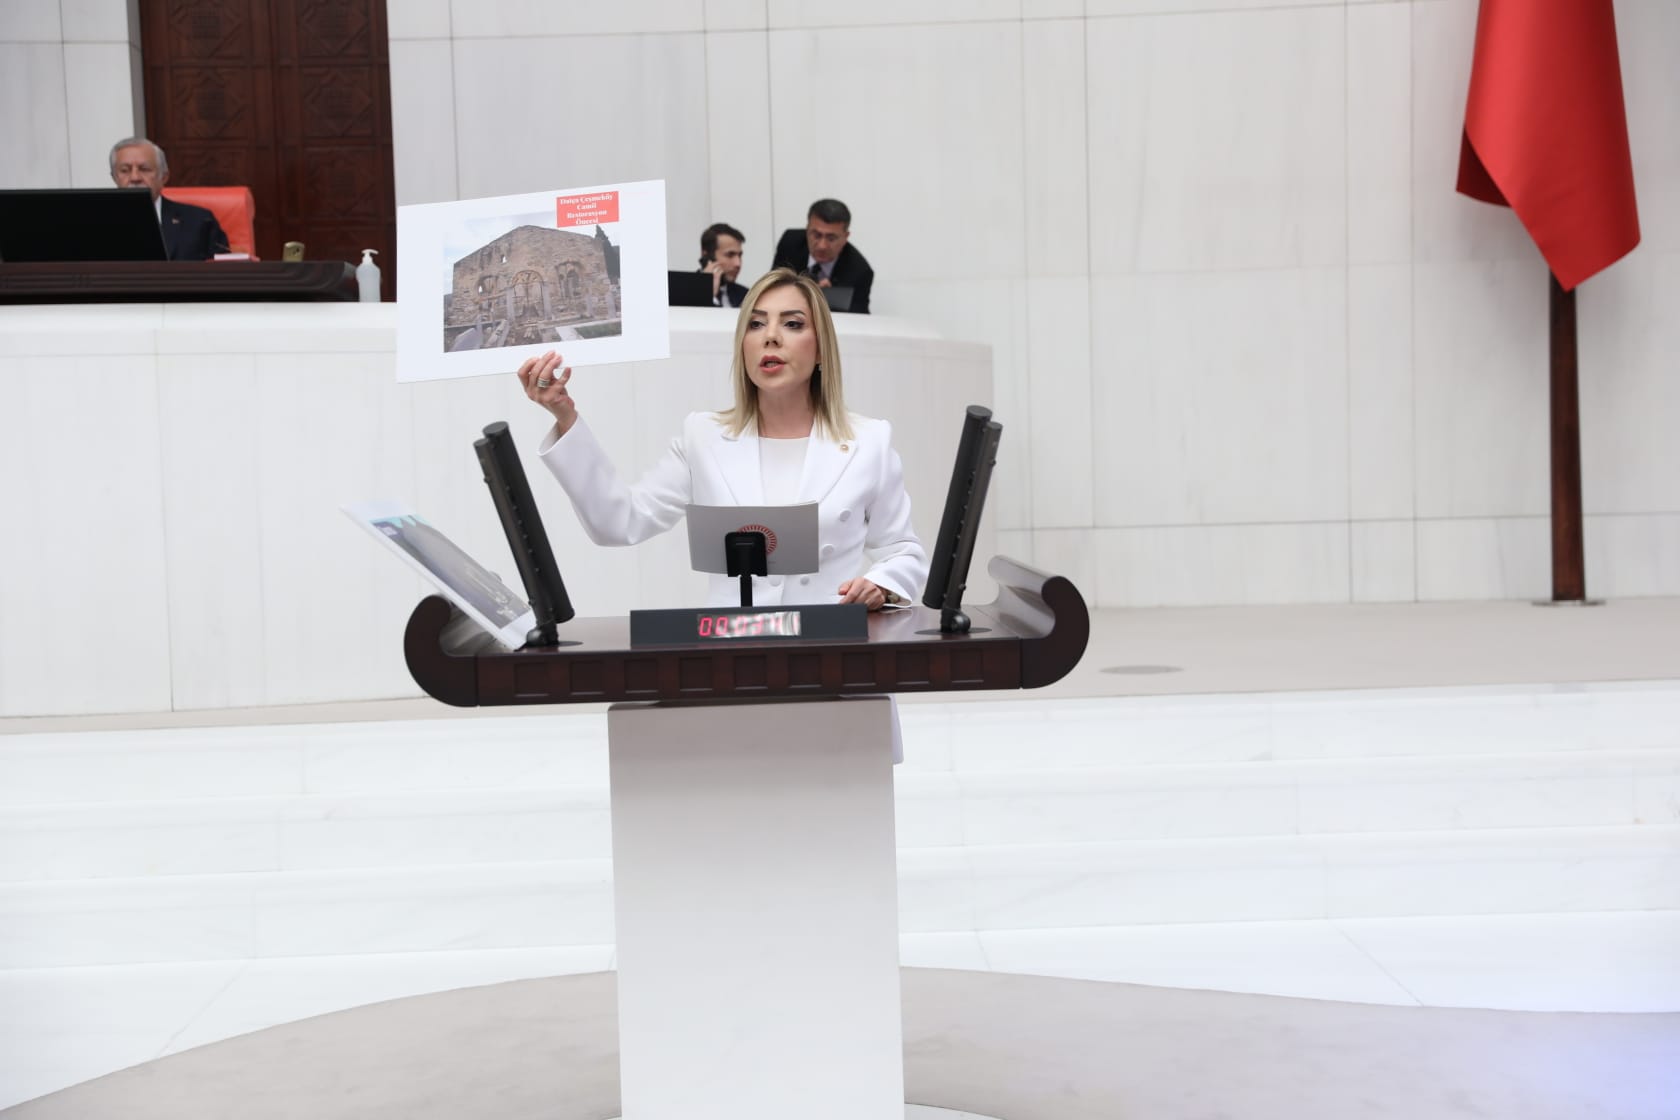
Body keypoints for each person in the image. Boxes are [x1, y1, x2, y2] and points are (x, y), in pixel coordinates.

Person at [517, 268, 926, 609]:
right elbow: (619, 522)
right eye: (756, 324)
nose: (770, 337)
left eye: (793, 324)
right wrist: (565, 417)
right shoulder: (704, 437)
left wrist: (880, 584)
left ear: (821, 349)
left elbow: (903, 551)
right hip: (731, 658)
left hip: (830, 652)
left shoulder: (868, 442)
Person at [108, 137, 229, 261]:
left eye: (144, 169)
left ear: (164, 177)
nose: (135, 178)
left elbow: (225, 269)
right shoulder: (99, 222)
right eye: (125, 170)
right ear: (114, 177)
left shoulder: (200, 221)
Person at [770, 198, 873, 314]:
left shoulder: (860, 271)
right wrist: (806, 293)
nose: (822, 246)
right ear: (807, 230)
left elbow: (858, 318)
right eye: (816, 235)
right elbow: (772, 290)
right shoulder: (790, 243)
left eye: (831, 238)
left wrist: (826, 299)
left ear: (845, 237)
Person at [698, 222, 748, 308]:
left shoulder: (746, 295)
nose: (738, 264)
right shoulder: (687, 291)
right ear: (707, 256)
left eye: (739, 255)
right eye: (730, 255)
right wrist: (708, 295)